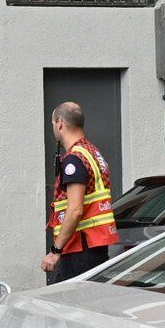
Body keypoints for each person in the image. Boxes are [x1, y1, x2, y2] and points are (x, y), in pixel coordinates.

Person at [41, 101, 120, 283]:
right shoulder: (92, 152)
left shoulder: (74, 160)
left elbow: (75, 209)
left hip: (80, 247)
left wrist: (55, 251)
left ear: (60, 123)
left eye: (53, 123)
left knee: (72, 305)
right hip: (94, 244)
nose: (54, 126)